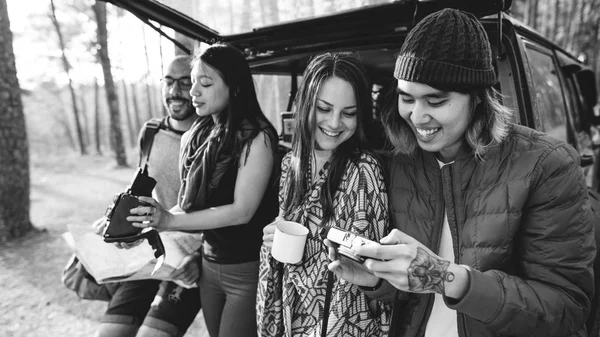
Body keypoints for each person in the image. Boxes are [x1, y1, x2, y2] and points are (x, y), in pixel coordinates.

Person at [327, 8, 596, 337]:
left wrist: (448, 277)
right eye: (406, 98)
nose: (417, 116)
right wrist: (376, 278)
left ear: (479, 99)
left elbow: (566, 309)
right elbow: (415, 292)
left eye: (435, 101)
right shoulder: (399, 163)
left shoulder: (547, 166)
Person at [127, 43, 280, 337]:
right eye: (193, 82)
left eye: (204, 83)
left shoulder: (257, 138)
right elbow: (188, 204)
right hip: (209, 268)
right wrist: (143, 223)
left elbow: (241, 211)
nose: (193, 91)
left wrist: (169, 222)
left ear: (234, 87)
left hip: (246, 271)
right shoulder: (198, 135)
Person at [258, 52, 392, 337]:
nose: (334, 123)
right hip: (292, 315)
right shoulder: (291, 164)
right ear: (306, 103)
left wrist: (312, 251)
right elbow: (288, 222)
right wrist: (274, 234)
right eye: (323, 108)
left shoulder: (363, 170)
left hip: (342, 323)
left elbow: (368, 265)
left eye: (349, 113)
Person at [94, 55, 202, 337]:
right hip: (153, 250)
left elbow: (229, 209)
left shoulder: (215, 137)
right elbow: (142, 193)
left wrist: (202, 257)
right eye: (168, 82)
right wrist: (118, 223)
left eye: (184, 82)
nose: (174, 91)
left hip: (193, 258)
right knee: (108, 334)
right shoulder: (151, 131)